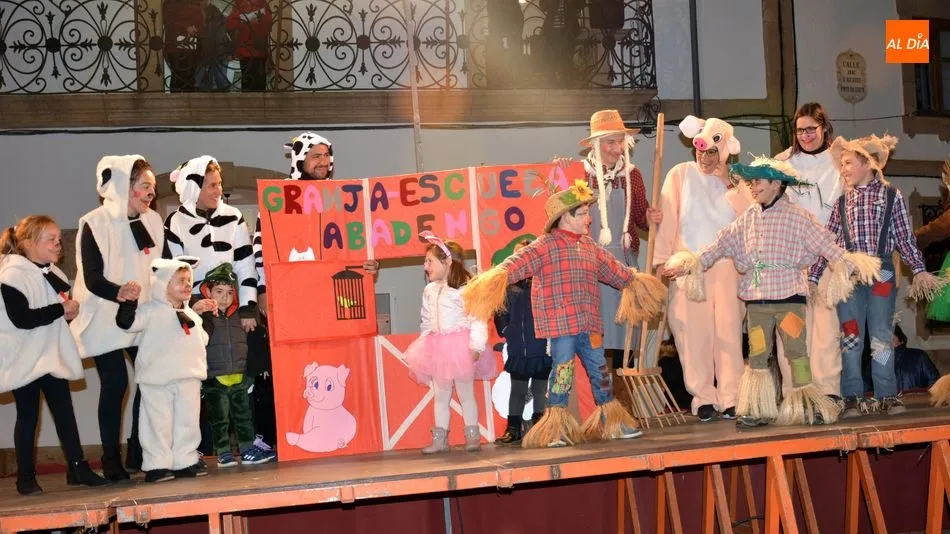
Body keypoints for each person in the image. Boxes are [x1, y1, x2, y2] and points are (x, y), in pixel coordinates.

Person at [666, 157, 881, 429]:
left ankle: (805, 407)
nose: (752, 187)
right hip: (758, 304)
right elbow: (719, 245)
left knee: (796, 352)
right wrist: (690, 263)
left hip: (789, 302)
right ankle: (757, 408)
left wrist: (851, 264)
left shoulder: (798, 218)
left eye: (758, 181)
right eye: (751, 182)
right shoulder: (747, 218)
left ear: (776, 184)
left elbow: (827, 245)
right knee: (758, 355)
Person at [464, 179, 666, 448]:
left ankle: (613, 422)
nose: (588, 219)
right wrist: (495, 277)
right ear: (565, 218)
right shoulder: (545, 246)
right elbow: (517, 264)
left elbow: (616, 271)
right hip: (561, 329)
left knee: (600, 372)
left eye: (587, 213)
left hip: (590, 325)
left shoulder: (591, 247)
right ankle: (556, 430)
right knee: (562, 374)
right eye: (582, 213)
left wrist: (638, 282)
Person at [810, 134, 946, 417]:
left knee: (882, 337)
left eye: (848, 163)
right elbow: (828, 242)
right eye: (842, 164)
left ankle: (887, 395)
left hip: (881, 272)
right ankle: (852, 397)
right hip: (849, 274)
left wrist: (918, 269)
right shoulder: (841, 202)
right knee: (851, 337)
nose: (843, 169)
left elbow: (904, 237)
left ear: (867, 163)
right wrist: (814, 276)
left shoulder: (891, 196)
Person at [71, 155, 166, 480]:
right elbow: (92, 277)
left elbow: (161, 266)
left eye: (152, 187)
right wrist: (119, 292)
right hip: (104, 317)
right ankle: (110, 457)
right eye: (145, 186)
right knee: (116, 383)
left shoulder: (153, 221)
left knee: (153, 378)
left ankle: (141, 452)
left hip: (142, 316)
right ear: (125, 186)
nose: (151, 192)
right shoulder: (93, 223)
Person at [0, 217, 110, 495]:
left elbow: (54, 314)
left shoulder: (53, 274)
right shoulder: (12, 275)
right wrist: (61, 310)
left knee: (65, 413)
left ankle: (77, 468)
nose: (58, 244)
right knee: (28, 417)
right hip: (26, 358)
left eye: (59, 239)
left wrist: (69, 312)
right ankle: (25, 477)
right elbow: (22, 319)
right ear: (28, 243)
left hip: (51, 354)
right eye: (50, 239)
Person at [653, 115, 750, 422]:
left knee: (729, 334)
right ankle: (703, 396)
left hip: (728, 268)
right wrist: (661, 260)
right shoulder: (680, 174)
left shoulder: (737, 181)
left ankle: (732, 396)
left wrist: (729, 182)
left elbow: (751, 219)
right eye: (701, 150)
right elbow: (668, 216)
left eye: (713, 152)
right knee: (691, 336)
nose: (705, 157)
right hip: (688, 267)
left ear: (726, 152)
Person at [556, 109, 661, 366]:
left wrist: (650, 217)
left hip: (624, 262)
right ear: (595, 144)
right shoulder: (579, 174)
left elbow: (640, 220)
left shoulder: (632, 175)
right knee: (593, 332)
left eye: (620, 141)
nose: (617, 148)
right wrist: (558, 175)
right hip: (587, 264)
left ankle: (620, 384)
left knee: (625, 334)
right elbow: (560, 217)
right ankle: (598, 384)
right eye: (610, 142)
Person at [117, 257, 215, 482]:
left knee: (188, 422)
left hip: (189, 378)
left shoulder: (191, 315)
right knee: (157, 423)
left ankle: (185, 460)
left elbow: (204, 339)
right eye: (180, 280)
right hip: (156, 380)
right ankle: (157, 464)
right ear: (163, 283)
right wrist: (128, 302)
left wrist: (207, 315)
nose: (187, 285)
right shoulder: (150, 311)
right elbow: (127, 323)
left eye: (189, 280)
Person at [773, 102, 845, 402]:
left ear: (824, 127)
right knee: (792, 327)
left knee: (827, 328)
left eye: (811, 129)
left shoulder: (841, 160)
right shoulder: (782, 163)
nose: (805, 135)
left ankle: (827, 390)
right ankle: (796, 393)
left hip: (827, 254)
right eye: (800, 130)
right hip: (792, 258)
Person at [404, 232, 497, 454]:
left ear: (446, 262)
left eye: (430, 261)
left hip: (460, 348)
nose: (425, 266)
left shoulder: (465, 289)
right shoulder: (429, 290)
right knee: (441, 394)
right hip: (438, 347)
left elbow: (477, 318)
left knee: (466, 394)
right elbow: (426, 319)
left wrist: (476, 346)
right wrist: (424, 342)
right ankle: (440, 439)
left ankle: (472, 435)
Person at [196, 262, 276, 465]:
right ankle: (223, 452)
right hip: (214, 379)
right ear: (207, 292)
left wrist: (253, 371)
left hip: (239, 377)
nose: (224, 297)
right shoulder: (203, 318)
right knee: (219, 420)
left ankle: (248, 449)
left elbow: (250, 344)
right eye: (219, 291)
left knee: (243, 418)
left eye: (230, 292)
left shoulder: (241, 316)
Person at [493, 239, 549, 446]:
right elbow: (499, 312)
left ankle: (539, 429)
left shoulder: (543, 285)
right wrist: (507, 331)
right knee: (517, 390)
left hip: (540, 348)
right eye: (517, 256)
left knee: (539, 390)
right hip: (518, 349)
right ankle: (513, 429)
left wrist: (548, 337)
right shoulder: (508, 287)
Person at [227, 0, 272, 91]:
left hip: (250, 50)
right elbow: (230, 24)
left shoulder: (260, 3)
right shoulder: (241, 3)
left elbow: (230, 24)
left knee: (249, 85)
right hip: (255, 50)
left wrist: (244, 19)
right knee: (258, 85)